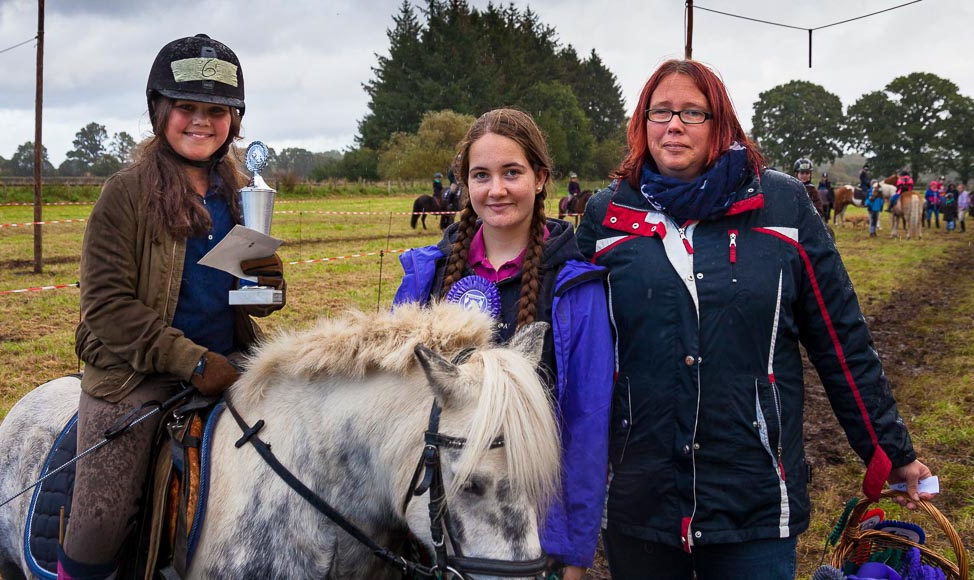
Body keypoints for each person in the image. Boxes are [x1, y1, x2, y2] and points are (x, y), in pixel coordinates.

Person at [575, 59, 935, 580]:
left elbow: (841, 339)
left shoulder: (782, 205)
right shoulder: (607, 215)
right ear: (642, 122)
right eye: (661, 111)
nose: (674, 125)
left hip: (755, 492)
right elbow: (568, 339)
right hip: (641, 495)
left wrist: (890, 451)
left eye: (692, 113)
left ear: (720, 122)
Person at [63, 34, 286, 579]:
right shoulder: (124, 194)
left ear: (234, 120)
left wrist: (269, 286)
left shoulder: (240, 194)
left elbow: (251, 297)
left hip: (231, 361)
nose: (201, 122)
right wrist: (191, 360)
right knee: (102, 518)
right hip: (133, 374)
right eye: (186, 107)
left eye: (217, 110)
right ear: (159, 111)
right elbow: (107, 306)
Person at [393, 108, 612, 579]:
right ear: (464, 184)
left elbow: (586, 429)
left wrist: (573, 555)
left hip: (529, 544)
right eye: (481, 175)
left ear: (540, 179)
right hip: (432, 540)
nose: (496, 190)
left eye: (512, 172)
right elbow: (391, 414)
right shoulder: (425, 276)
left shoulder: (577, 289)